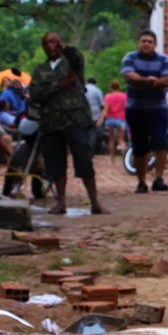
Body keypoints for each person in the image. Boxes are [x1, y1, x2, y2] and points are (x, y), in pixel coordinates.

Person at [29, 32, 104, 215]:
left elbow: (77, 57)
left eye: (54, 41)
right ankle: (61, 203)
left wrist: (67, 48)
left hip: (75, 119)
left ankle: (95, 202)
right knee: (55, 163)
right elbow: (36, 94)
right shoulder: (40, 70)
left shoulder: (72, 64)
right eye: (46, 43)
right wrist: (59, 85)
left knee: (84, 159)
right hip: (51, 122)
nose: (51, 46)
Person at [120, 29, 168, 193]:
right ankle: (141, 181)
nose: (146, 44)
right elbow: (128, 76)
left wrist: (146, 82)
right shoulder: (130, 57)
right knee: (139, 145)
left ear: (155, 44)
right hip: (135, 108)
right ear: (139, 43)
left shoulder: (164, 59)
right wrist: (150, 81)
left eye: (149, 42)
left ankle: (158, 178)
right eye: (143, 41)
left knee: (160, 143)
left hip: (158, 108)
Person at [97, 81, 128, 163]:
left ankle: (112, 159)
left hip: (110, 119)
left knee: (111, 139)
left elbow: (105, 109)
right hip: (121, 119)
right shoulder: (124, 96)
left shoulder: (108, 96)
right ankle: (124, 158)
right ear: (119, 87)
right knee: (121, 139)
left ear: (111, 87)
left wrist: (100, 119)